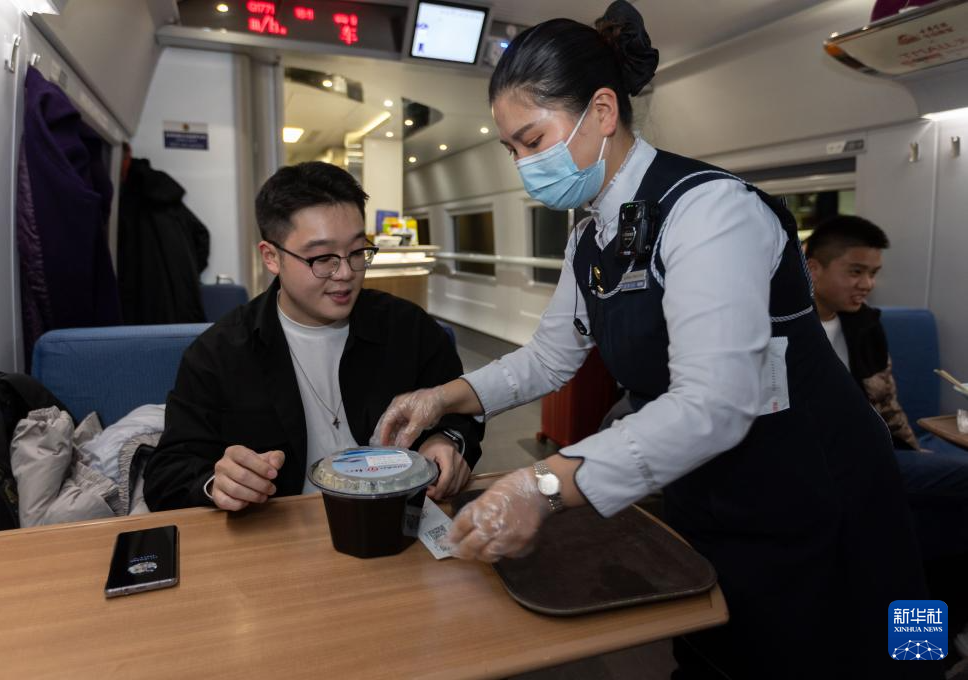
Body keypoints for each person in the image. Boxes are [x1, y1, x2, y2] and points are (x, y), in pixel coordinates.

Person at [373, 3, 937, 678]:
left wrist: (541, 486)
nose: (523, 164)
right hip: (713, 484)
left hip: (821, 475)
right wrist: (443, 397)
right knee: (723, 645)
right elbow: (551, 359)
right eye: (512, 149)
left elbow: (712, 404)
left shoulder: (711, 211)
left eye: (532, 139)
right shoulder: (592, 236)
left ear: (603, 112)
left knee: (881, 647)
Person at [144, 162, 482, 512]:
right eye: (322, 258)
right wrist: (219, 483)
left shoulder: (409, 328)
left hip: (397, 518)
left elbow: (463, 412)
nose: (346, 274)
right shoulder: (218, 353)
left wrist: (447, 441)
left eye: (356, 252)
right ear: (271, 256)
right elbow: (167, 473)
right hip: (283, 536)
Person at [807, 215, 968, 659]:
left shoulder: (864, 325)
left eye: (874, 273)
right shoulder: (780, 330)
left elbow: (888, 404)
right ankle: (924, 649)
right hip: (819, 464)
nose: (867, 284)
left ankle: (923, 647)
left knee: (928, 534)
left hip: (879, 457)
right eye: (855, 271)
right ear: (813, 268)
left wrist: (913, 452)